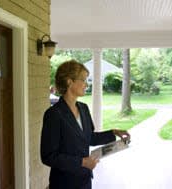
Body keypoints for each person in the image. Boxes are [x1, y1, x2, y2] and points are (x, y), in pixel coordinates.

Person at [40, 59, 130, 189]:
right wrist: (82, 162)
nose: (86, 85)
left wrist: (114, 133)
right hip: (64, 183)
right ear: (69, 81)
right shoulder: (54, 114)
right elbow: (48, 156)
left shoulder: (83, 108)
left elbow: (89, 138)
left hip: (85, 180)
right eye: (83, 80)